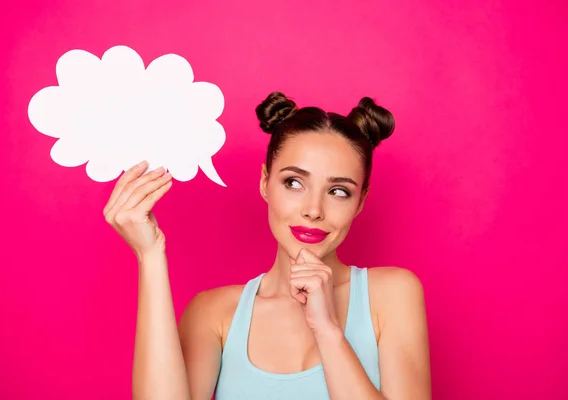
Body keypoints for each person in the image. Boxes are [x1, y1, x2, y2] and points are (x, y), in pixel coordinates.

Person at [104, 92, 432, 399]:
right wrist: (149, 255)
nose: (314, 210)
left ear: (361, 201)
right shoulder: (214, 314)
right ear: (264, 183)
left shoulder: (392, 294)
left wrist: (327, 329)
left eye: (338, 191)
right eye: (294, 183)